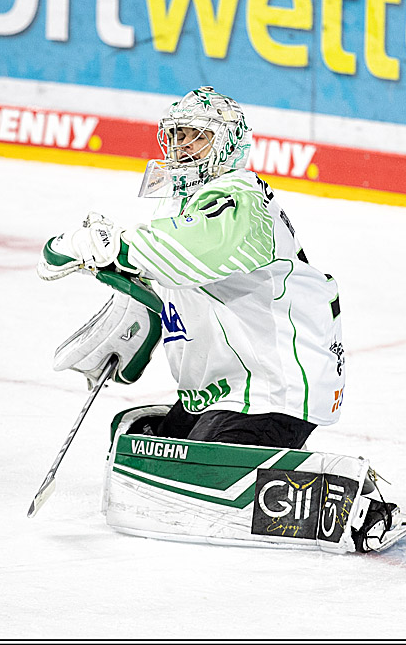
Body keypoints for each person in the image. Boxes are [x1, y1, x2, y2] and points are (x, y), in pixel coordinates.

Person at [37, 86, 345, 451]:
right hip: (223, 388)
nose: (183, 145)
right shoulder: (180, 205)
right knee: (137, 442)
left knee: (185, 473)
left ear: (229, 144)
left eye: (200, 136)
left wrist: (112, 246)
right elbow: (171, 276)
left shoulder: (240, 196)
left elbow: (194, 250)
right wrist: (132, 323)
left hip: (272, 392)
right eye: (178, 134)